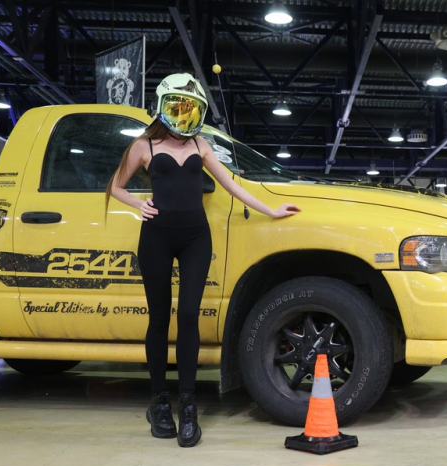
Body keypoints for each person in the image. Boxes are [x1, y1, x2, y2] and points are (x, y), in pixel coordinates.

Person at [105, 73, 301, 447]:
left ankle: (189, 404)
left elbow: (233, 185)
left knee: (190, 316)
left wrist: (272, 211)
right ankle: (160, 402)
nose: (183, 114)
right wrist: (137, 203)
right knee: (159, 318)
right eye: (177, 106)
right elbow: (115, 186)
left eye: (190, 107)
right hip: (156, 238)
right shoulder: (143, 146)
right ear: (163, 107)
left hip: (196, 237)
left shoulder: (200, 145)